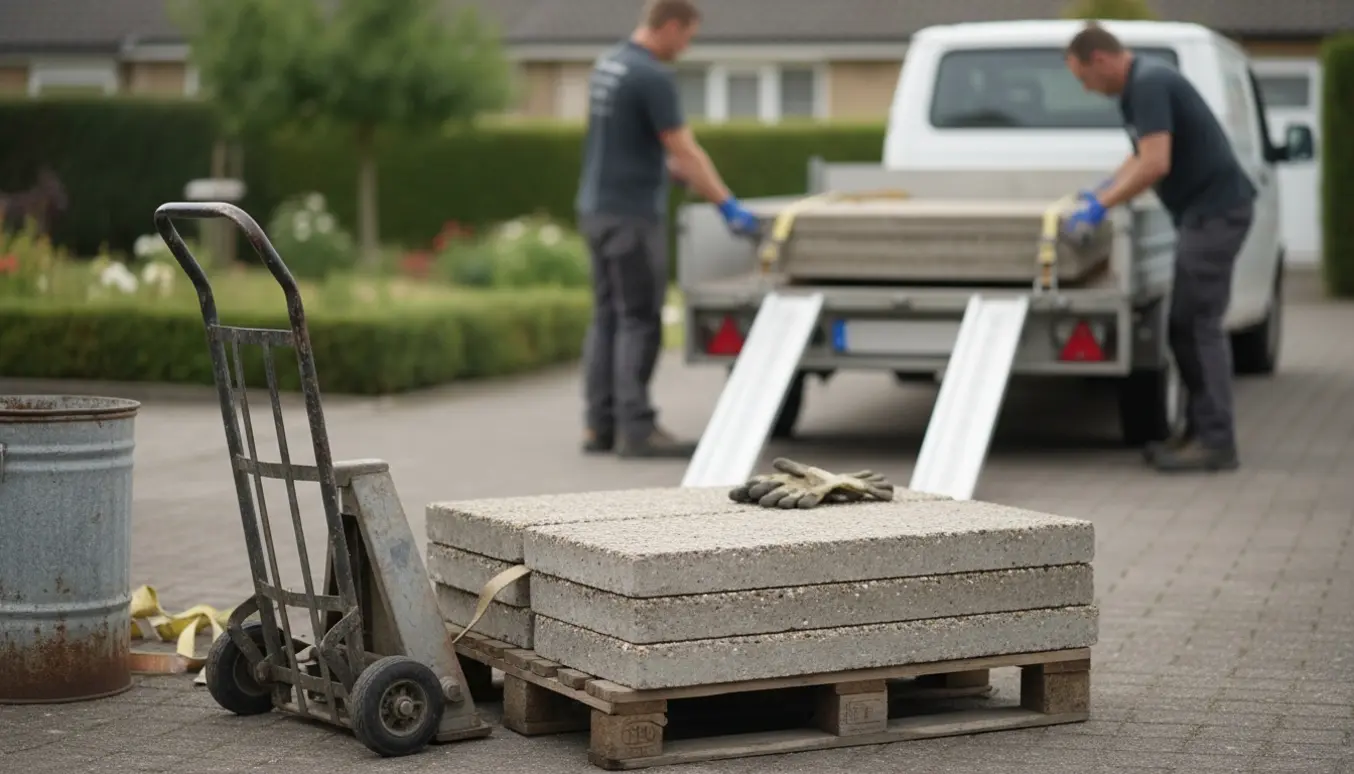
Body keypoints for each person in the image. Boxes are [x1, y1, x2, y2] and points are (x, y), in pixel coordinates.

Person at [1062, 23, 1256, 473]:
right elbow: (1140, 153)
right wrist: (1103, 189)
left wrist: (1103, 206)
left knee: (1196, 325)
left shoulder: (1149, 83)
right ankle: (1197, 433)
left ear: (1100, 60)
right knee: (1184, 327)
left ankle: (1216, 441)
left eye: (1084, 78)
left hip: (1215, 214)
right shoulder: (1137, 88)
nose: (1087, 89)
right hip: (1204, 215)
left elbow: (1155, 164)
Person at [575, 0, 761, 459]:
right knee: (640, 319)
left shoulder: (610, 65)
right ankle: (637, 429)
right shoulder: (651, 76)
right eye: (687, 37)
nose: (686, 47)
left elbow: (624, 139)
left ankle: (599, 426)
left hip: (597, 210)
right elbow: (685, 150)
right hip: (632, 217)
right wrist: (726, 204)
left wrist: (663, 169)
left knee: (607, 317)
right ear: (671, 26)